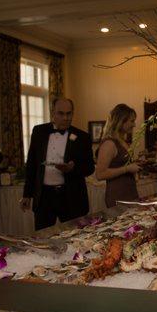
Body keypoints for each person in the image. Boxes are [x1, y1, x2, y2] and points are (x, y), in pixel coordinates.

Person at [21, 98, 95, 230]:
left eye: (69, 113)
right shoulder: (39, 132)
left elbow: (89, 168)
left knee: (75, 238)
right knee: (43, 237)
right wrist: (27, 194)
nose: (66, 118)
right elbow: (32, 164)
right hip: (44, 197)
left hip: (71, 197)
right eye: (61, 113)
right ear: (52, 113)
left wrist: (73, 168)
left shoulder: (82, 137)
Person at [95, 104, 141, 208]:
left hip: (130, 193)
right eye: (132, 121)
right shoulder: (109, 143)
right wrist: (127, 169)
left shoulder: (122, 141)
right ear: (121, 121)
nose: (134, 125)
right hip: (118, 196)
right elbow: (100, 174)